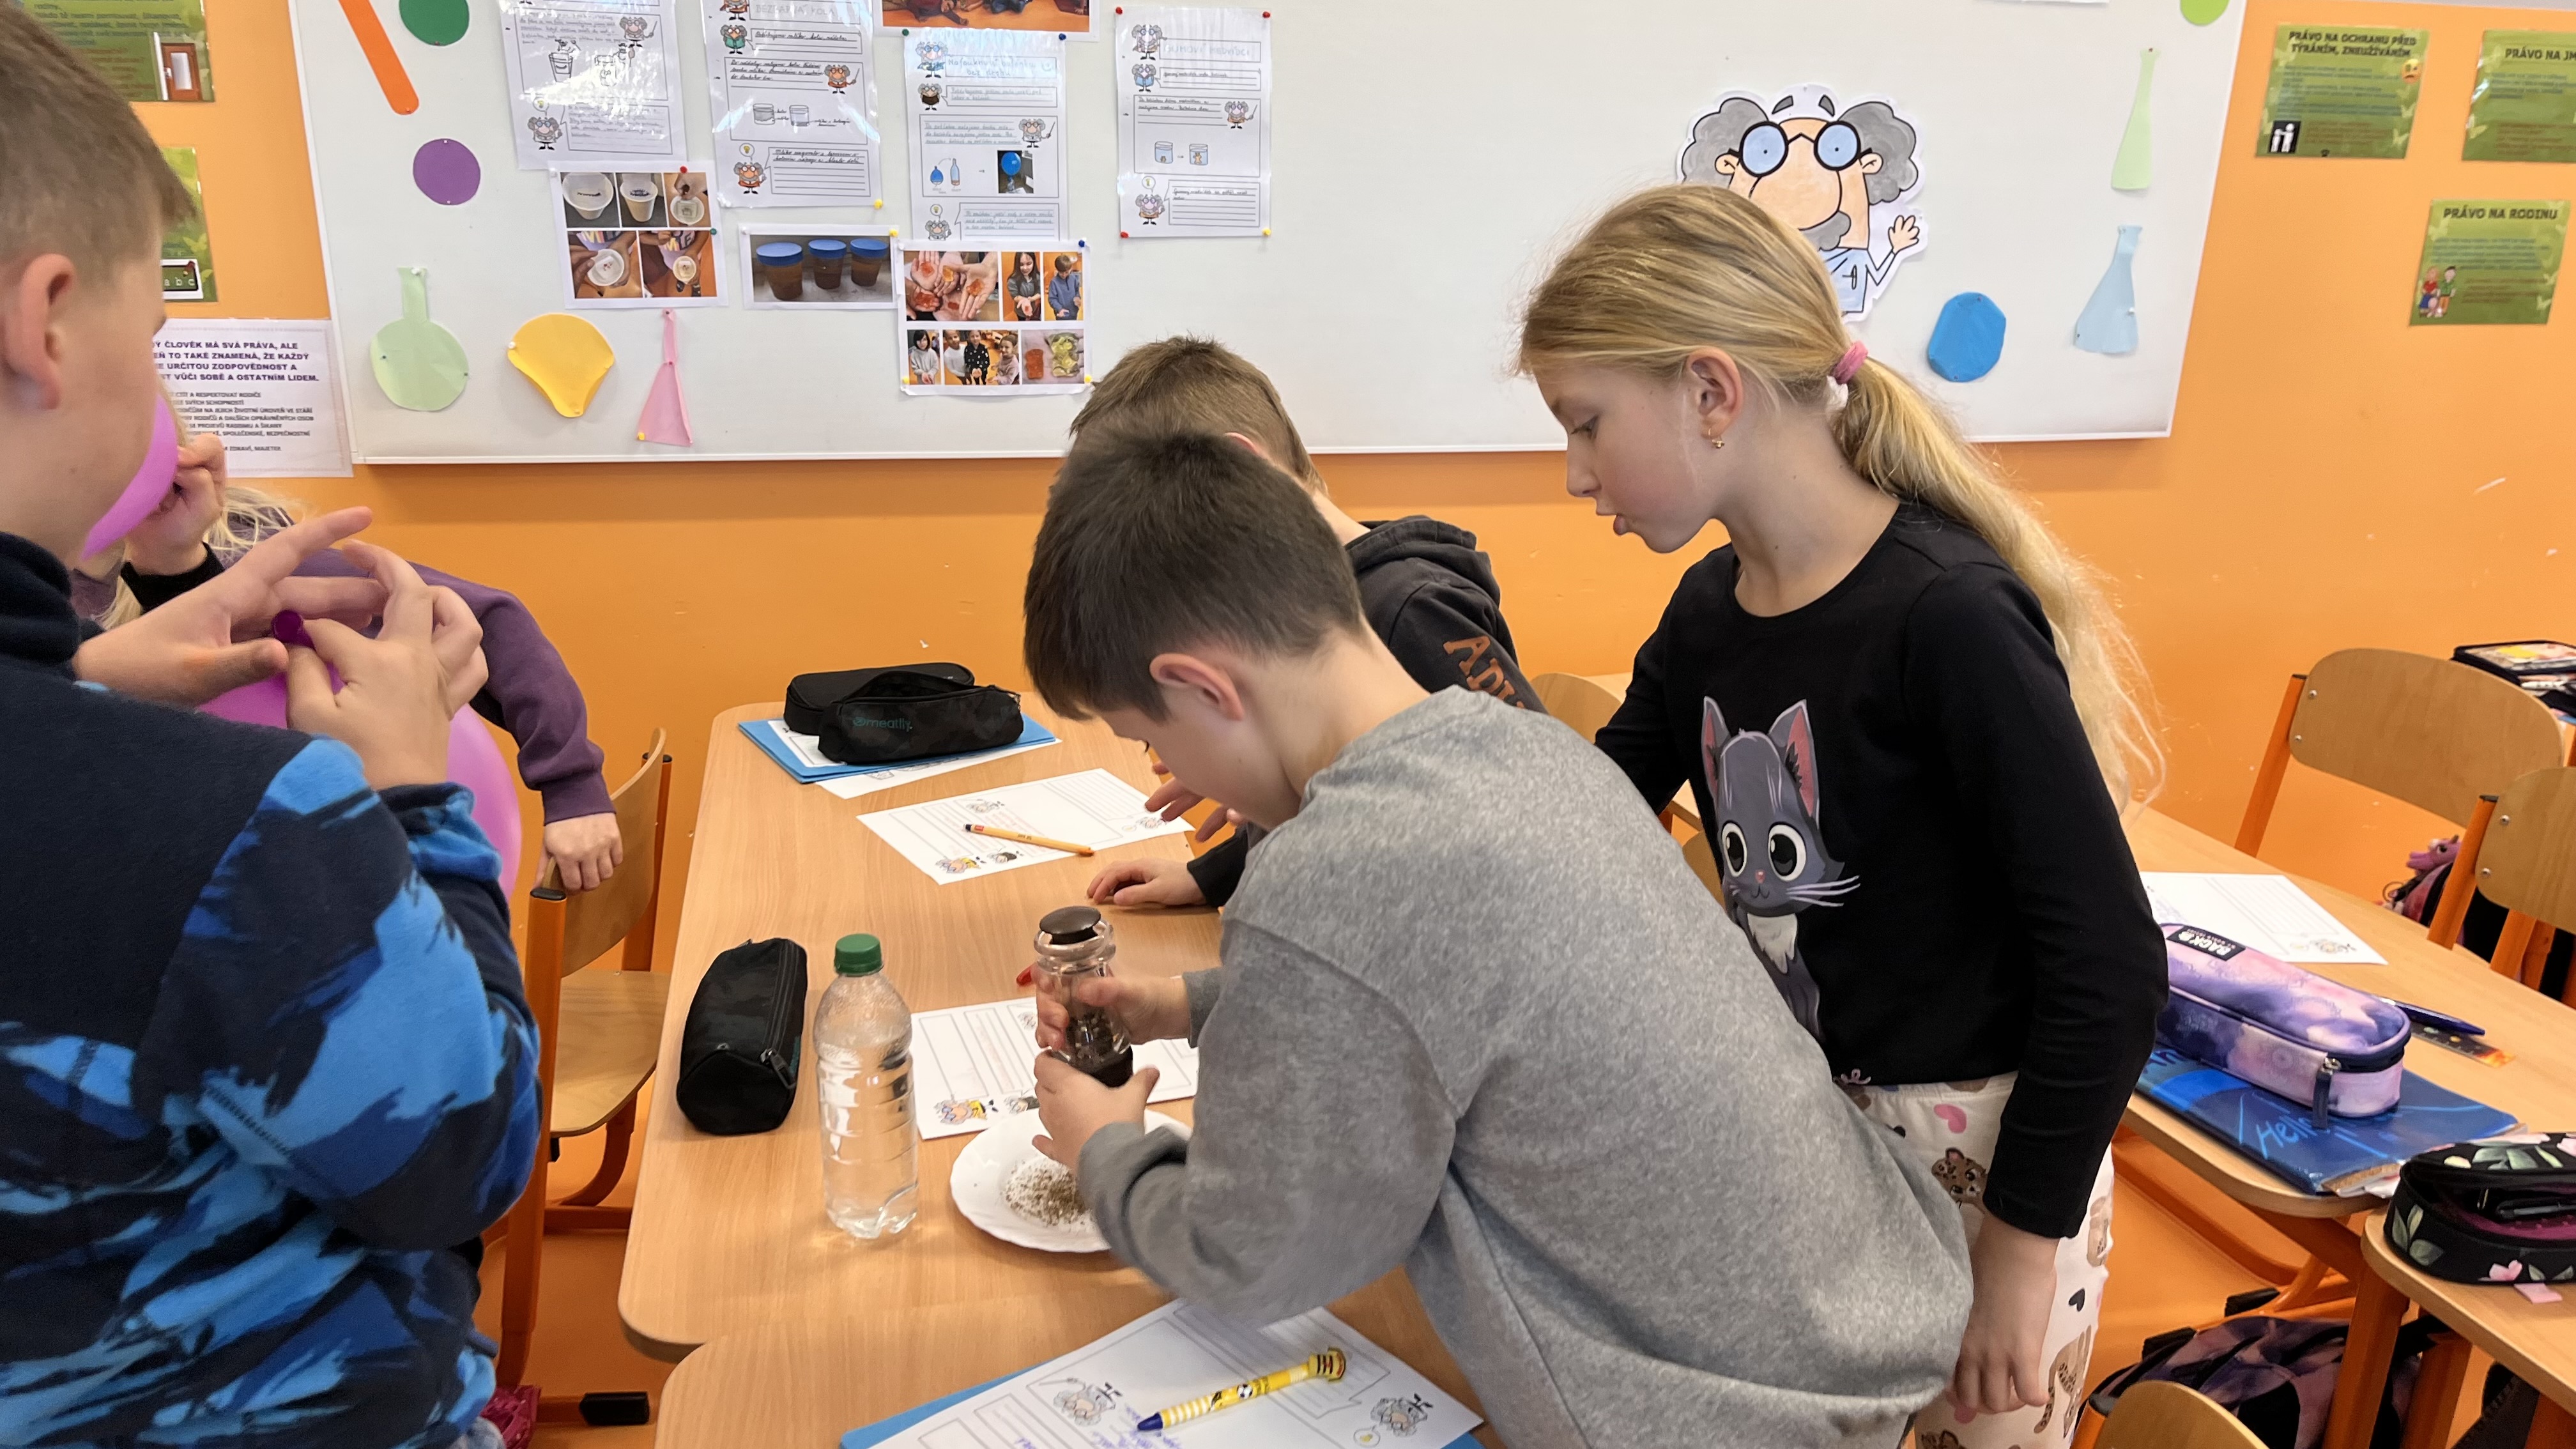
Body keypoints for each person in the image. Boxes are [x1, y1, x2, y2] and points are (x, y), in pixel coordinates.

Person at [1021, 431, 1970, 1449]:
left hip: (1727, 1412)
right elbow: (1444, 998)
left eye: (1151, 738)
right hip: (1861, 1314)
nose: (1167, 765)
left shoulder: (1333, 866)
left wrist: (1106, 1150)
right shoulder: (1520, 747)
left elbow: (1255, 1256)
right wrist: (1191, 1004)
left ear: (1206, 687)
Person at [1518, 183, 2165, 1447]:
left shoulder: (1946, 617)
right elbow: (1582, 819)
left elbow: (2110, 966)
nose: (1576, 472)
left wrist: (2017, 1254)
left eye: (1586, 424)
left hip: (1990, 1175)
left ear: (1711, 391)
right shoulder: (1710, 610)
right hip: (1811, 1142)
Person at [0, 11, 541, 1447]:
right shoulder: (245, 823)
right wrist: (413, 795)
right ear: (45, 323)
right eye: (153, 332)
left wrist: (85, 679)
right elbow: (465, 1150)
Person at [1066, 337, 1544, 912]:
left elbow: (1524, 811)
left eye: (1147, 529)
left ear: (1243, 473)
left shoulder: (1416, 609)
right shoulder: (1284, 613)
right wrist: (1214, 872)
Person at [71, 430, 625, 891]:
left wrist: (571, 784)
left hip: (367, 880)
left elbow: (494, 620)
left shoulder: (271, 563)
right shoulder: (56, 620)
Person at [1048, 252, 1081, 321]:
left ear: (1070, 269)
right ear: (1057, 270)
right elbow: (1052, 299)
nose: (1064, 275)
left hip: (1074, 313)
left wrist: (1078, 297)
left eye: (1066, 272)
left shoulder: (1074, 278)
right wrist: (1060, 309)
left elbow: (1077, 290)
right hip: (1061, 315)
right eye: (1061, 273)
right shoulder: (1054, 282)